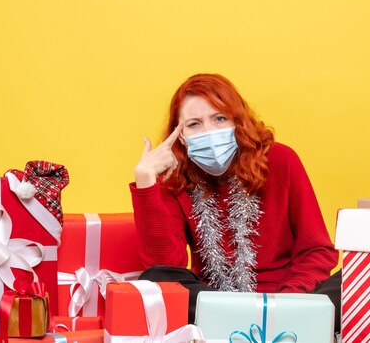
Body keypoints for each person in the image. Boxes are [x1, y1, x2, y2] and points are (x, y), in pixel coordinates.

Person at [130, 73, 340, 328]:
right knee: (156, 277)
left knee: (357, 279)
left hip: (289, 298)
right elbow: (166, 264)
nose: (209, 131)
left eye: (219, 118)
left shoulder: (281, 160)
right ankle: (247, 323)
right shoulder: (176, 176)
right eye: (194, 124)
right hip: (215, 302)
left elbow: (317, 250)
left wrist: (284, 304)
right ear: (180, 135)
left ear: (237, 121)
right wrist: (147, 181)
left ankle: (259, 323)